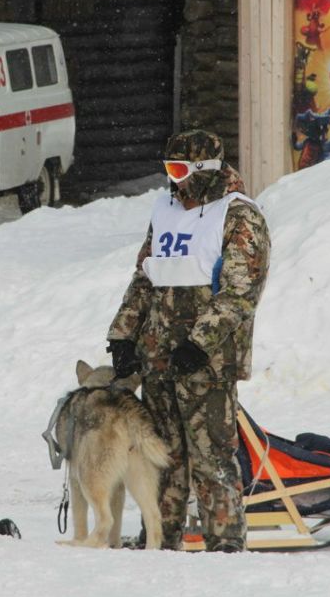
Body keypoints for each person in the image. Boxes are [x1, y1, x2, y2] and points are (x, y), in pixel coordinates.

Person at [105, 129, 270, 553]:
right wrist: (123, 335)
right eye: (168, 170)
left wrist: (199, 343)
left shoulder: (238, 216)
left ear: (203, 172)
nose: (173, 181)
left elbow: (239, 292)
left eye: (180, 170)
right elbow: (146, 276)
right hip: (158, 357)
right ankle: (160, 540)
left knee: (211, 458)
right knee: (162, 458)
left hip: (206, 365)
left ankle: (225, 545)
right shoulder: (165, 210)